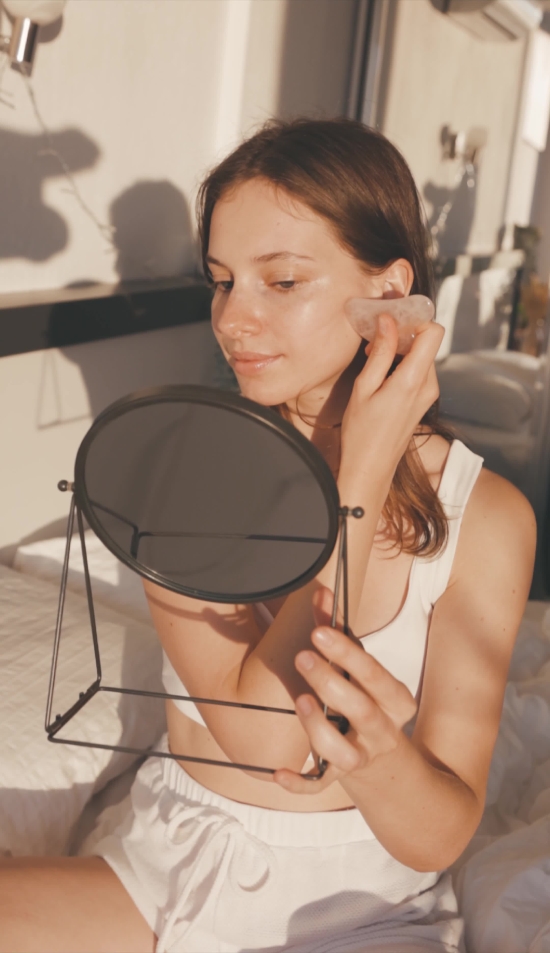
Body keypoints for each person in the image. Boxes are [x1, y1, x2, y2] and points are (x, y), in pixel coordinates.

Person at [0, 118, 536, 953]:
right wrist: (360, 475)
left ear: (390, 291)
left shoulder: (489, 516)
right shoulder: (181, 470)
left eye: (281, 280)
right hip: (168, 861)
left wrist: (381, 764)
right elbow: (261, 734)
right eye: (221, 281)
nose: (232, 319)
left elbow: (438, 833)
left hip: (363, 905)